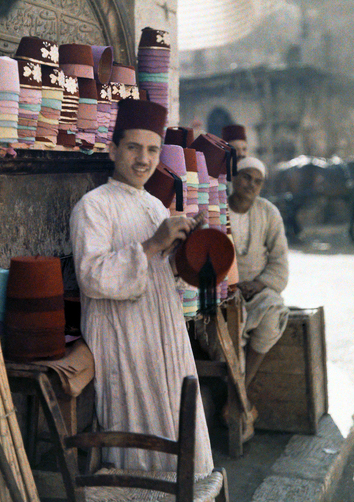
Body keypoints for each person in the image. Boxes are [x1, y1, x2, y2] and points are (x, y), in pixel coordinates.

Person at [70, 98, 213, 475]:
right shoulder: (92, 207)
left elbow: (161, 270)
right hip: (123, 336)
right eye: (133, 147)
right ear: (113, 149)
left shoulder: (154, 205)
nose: (143, 159)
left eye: (152, 149)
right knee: (141, 428)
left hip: (163, 330)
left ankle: (185, 491)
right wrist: (152, 245)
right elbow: (91, 275)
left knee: (179, 425)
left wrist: (183, 251)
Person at [228, 156, 289, 438]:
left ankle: (239, 392)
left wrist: (259, 283)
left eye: (257, 181)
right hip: (223, 295)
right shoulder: (218, 208)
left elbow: (279, 264)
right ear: (234, 177)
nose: (251, 184)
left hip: (257, 291)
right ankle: (241, 404)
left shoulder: (269, 212)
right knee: (227, 337)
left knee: (275, 310)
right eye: (246, 177)